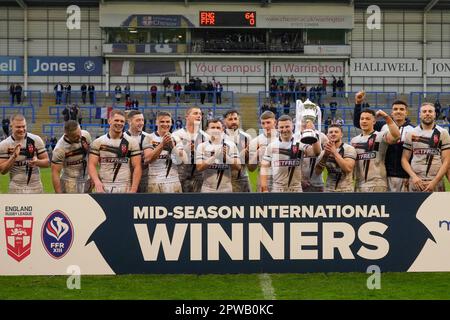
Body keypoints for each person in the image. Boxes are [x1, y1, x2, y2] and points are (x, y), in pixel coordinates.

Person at [354, 91, 415, 191]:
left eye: (401, 109)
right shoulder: (382, 126)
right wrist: (358, 103)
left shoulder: (413, 130)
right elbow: (359, 123)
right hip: (385, 176)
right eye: (395, 109)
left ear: (406, 112)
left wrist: (410, 175)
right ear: (391, 112)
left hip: (404, 177)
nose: (398, 111)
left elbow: (413, 156)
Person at [260, 115, 321, 192]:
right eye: (281, 127)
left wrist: (313, 133)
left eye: (287, 126)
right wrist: (264, 187)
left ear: (292, 127)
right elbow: (264, 167)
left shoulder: (300, 143)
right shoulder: (272, 146)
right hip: (278, 188)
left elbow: (316, 152)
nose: (284, 130)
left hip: (296, 188)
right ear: (277, 128)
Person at [88, 109, 142, 193]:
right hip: (104, 186)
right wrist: (97, 182)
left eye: (122, 121)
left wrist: (133, 189)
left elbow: (137, 166)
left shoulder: (132, 142)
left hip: (125, 186)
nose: (119, 123)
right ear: (109, 121)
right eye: (116, 120)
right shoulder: (98, 142)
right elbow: (91, 164)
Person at [402, 103, 450, 192]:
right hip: (416, 182)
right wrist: (414, 177)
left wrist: (435, 181)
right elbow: (404, 159)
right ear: (420, 115)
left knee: (437, 206)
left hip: (436, 182)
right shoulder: (411, 133)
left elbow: (446, 161)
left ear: (435, 114)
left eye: (430, 111)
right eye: (424, 111)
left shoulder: (443, 133)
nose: (427, 113)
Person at [351, 108, 400, 192]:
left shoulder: (381, 136)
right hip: (358, 184)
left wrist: (386, 117)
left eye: (367, 119)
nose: (364, 121)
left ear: (374, 122)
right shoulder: (354, 140)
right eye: (362, 119)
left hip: (377, 184)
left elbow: (396, 136)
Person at [0, 114, 49, 193]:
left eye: (24, 126)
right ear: (11, 126)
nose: (22, 129)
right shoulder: (4, 144)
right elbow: (2, 171)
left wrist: (37, 162)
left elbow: (47, 163)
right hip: (16, 188)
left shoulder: (36, 140)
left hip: (36, 187)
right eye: (18, 127)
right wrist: (13, 157)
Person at [144, 111, 184, 193]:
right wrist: (162, 144)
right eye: (162, 121)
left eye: (168, 122)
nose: (165, 124)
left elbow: (180, 161)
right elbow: (147, 159)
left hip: (174, 181)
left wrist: (172, 146)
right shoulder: (149, 137)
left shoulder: (177, 138)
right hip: (155, 182)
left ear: (171, 123)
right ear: (156, 123)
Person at [196, 118, 241, 192]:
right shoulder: (201, 146)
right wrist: (214, 157)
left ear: (222, 129)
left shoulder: (231, 145)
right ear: (207, 130)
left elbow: (238, 167)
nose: (215, 130)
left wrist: (226, 157)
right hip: (207, 189)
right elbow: (199, 168)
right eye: (213, 128)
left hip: (226, 189)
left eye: (218, 127)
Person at [172, 106, 209, 192]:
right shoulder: (177, 134)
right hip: (181, 175)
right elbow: (177, 157)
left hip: (200, 177)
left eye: (200, 114)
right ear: (187, 116)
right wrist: (187, 149)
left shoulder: (206, 137)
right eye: (195, 113)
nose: (199, 116)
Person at [51, 120, 92, 193]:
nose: (79, 137)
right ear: (67, 135)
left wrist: (93, 178)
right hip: (69, 181)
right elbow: (55, 172)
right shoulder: (59, 149)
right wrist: (58, 193)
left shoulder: (85, 135)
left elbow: (91, 156)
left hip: (86, 179)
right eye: (75, 136)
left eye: (79, 133)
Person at [315, 124, 356, 192]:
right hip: (329, 190)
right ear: (327, 135)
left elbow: (348, 168)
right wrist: (325, 156)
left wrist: (334, 152)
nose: (333, 134)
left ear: (341, 134)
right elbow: (317, 172)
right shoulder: (324, 152)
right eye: (330, 132)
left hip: (346, 190)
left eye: (336, 132)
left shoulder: (349, 149)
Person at [248, 111, 277, 192]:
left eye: (268, 122)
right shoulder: (256, 141)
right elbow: (251, 168)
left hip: (281, 181)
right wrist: (257, 154)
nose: (265, 126)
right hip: (263, 182)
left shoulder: (283, 138)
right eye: (263, 123)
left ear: (275, 122)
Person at [223, 110, 252, 192]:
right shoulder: (220, 137)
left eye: (235, 119)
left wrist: (249, 154)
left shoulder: (247, 137)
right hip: (225, 179)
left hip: (243, 177)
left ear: (239, 120)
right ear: (225, 121)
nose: (233, 122)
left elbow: (250, 163)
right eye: (230, 119)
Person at [124, 110, 149, 193]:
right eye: (138, 120)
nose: (141, 123)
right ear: (129, 122)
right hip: (127, 177)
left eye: (142, 120)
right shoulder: (122, 137)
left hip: (145, 177)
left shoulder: (148, 137)